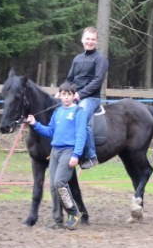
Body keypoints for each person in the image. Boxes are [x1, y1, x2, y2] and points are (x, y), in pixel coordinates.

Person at [24, 82, 89, 229]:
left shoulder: (78, 112)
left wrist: (76, 155)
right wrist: (35, 124)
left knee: (59, 182)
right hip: (55, 151)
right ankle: (57, 220)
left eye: (69, 95)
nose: (66, 98)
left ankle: (73, 212)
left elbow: (81, 135)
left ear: (74, 96)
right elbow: (50, 131)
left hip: (68, 151)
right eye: (63, 94)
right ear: (59, 96)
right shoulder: (58, 112)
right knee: (53, 186)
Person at [65, 26, 107, 169]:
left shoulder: (100, 59)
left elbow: (97, 81)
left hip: (91, 98)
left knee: (81, 117)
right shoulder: (77, 59)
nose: (90, 42)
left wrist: (80, 94)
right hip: (74, 96)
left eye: (93, 39)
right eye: (87, 39)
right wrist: (62, 91)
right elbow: (70, 79)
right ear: (82, 40)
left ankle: (91, 155)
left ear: (97, 41)